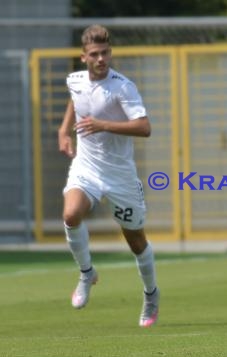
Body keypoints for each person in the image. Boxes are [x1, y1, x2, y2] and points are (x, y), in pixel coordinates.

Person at [58, 24, 159, 327]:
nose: (101, 59)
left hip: (120, 177)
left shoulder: (123, 87)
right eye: (94, 54)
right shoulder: (75, 81)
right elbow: (77, 101)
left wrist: (103, 124)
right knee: (71, 214)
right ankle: (87, 273)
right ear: (83, 57)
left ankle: (151, 293)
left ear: (110, 52)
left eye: (105, 53)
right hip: (86, 168)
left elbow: (144, 127)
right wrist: (64, 130)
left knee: (136, 241)